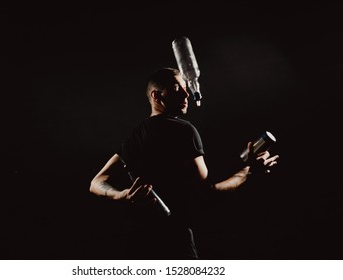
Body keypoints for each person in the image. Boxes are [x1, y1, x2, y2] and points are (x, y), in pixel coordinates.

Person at [89, 67, 279, 259]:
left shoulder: (135, 137)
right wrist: (248, 172)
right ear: (157, 96)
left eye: (186, 87)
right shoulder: (184, 131)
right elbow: (208, 195)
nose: (187, 93)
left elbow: (96, 182)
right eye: (177, 88)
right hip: (175, 244)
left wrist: (121, 195)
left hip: (137, 246)